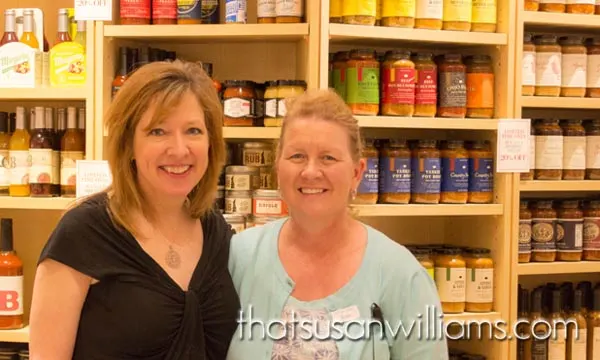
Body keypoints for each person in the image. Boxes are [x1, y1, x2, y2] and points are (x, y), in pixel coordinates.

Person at [29, 60, 240, 360]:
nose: (179, 149)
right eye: (158, 131)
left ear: (211, 142)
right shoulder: (82, 234)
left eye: (193, 130)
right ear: (128, 143)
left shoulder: (217, 231)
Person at [227, 89, 448, 359]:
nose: (310, 172)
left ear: (357, 173)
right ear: (277, 168)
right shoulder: (240, 256)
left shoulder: (402, 276)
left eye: (328, 158)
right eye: (297, 156)